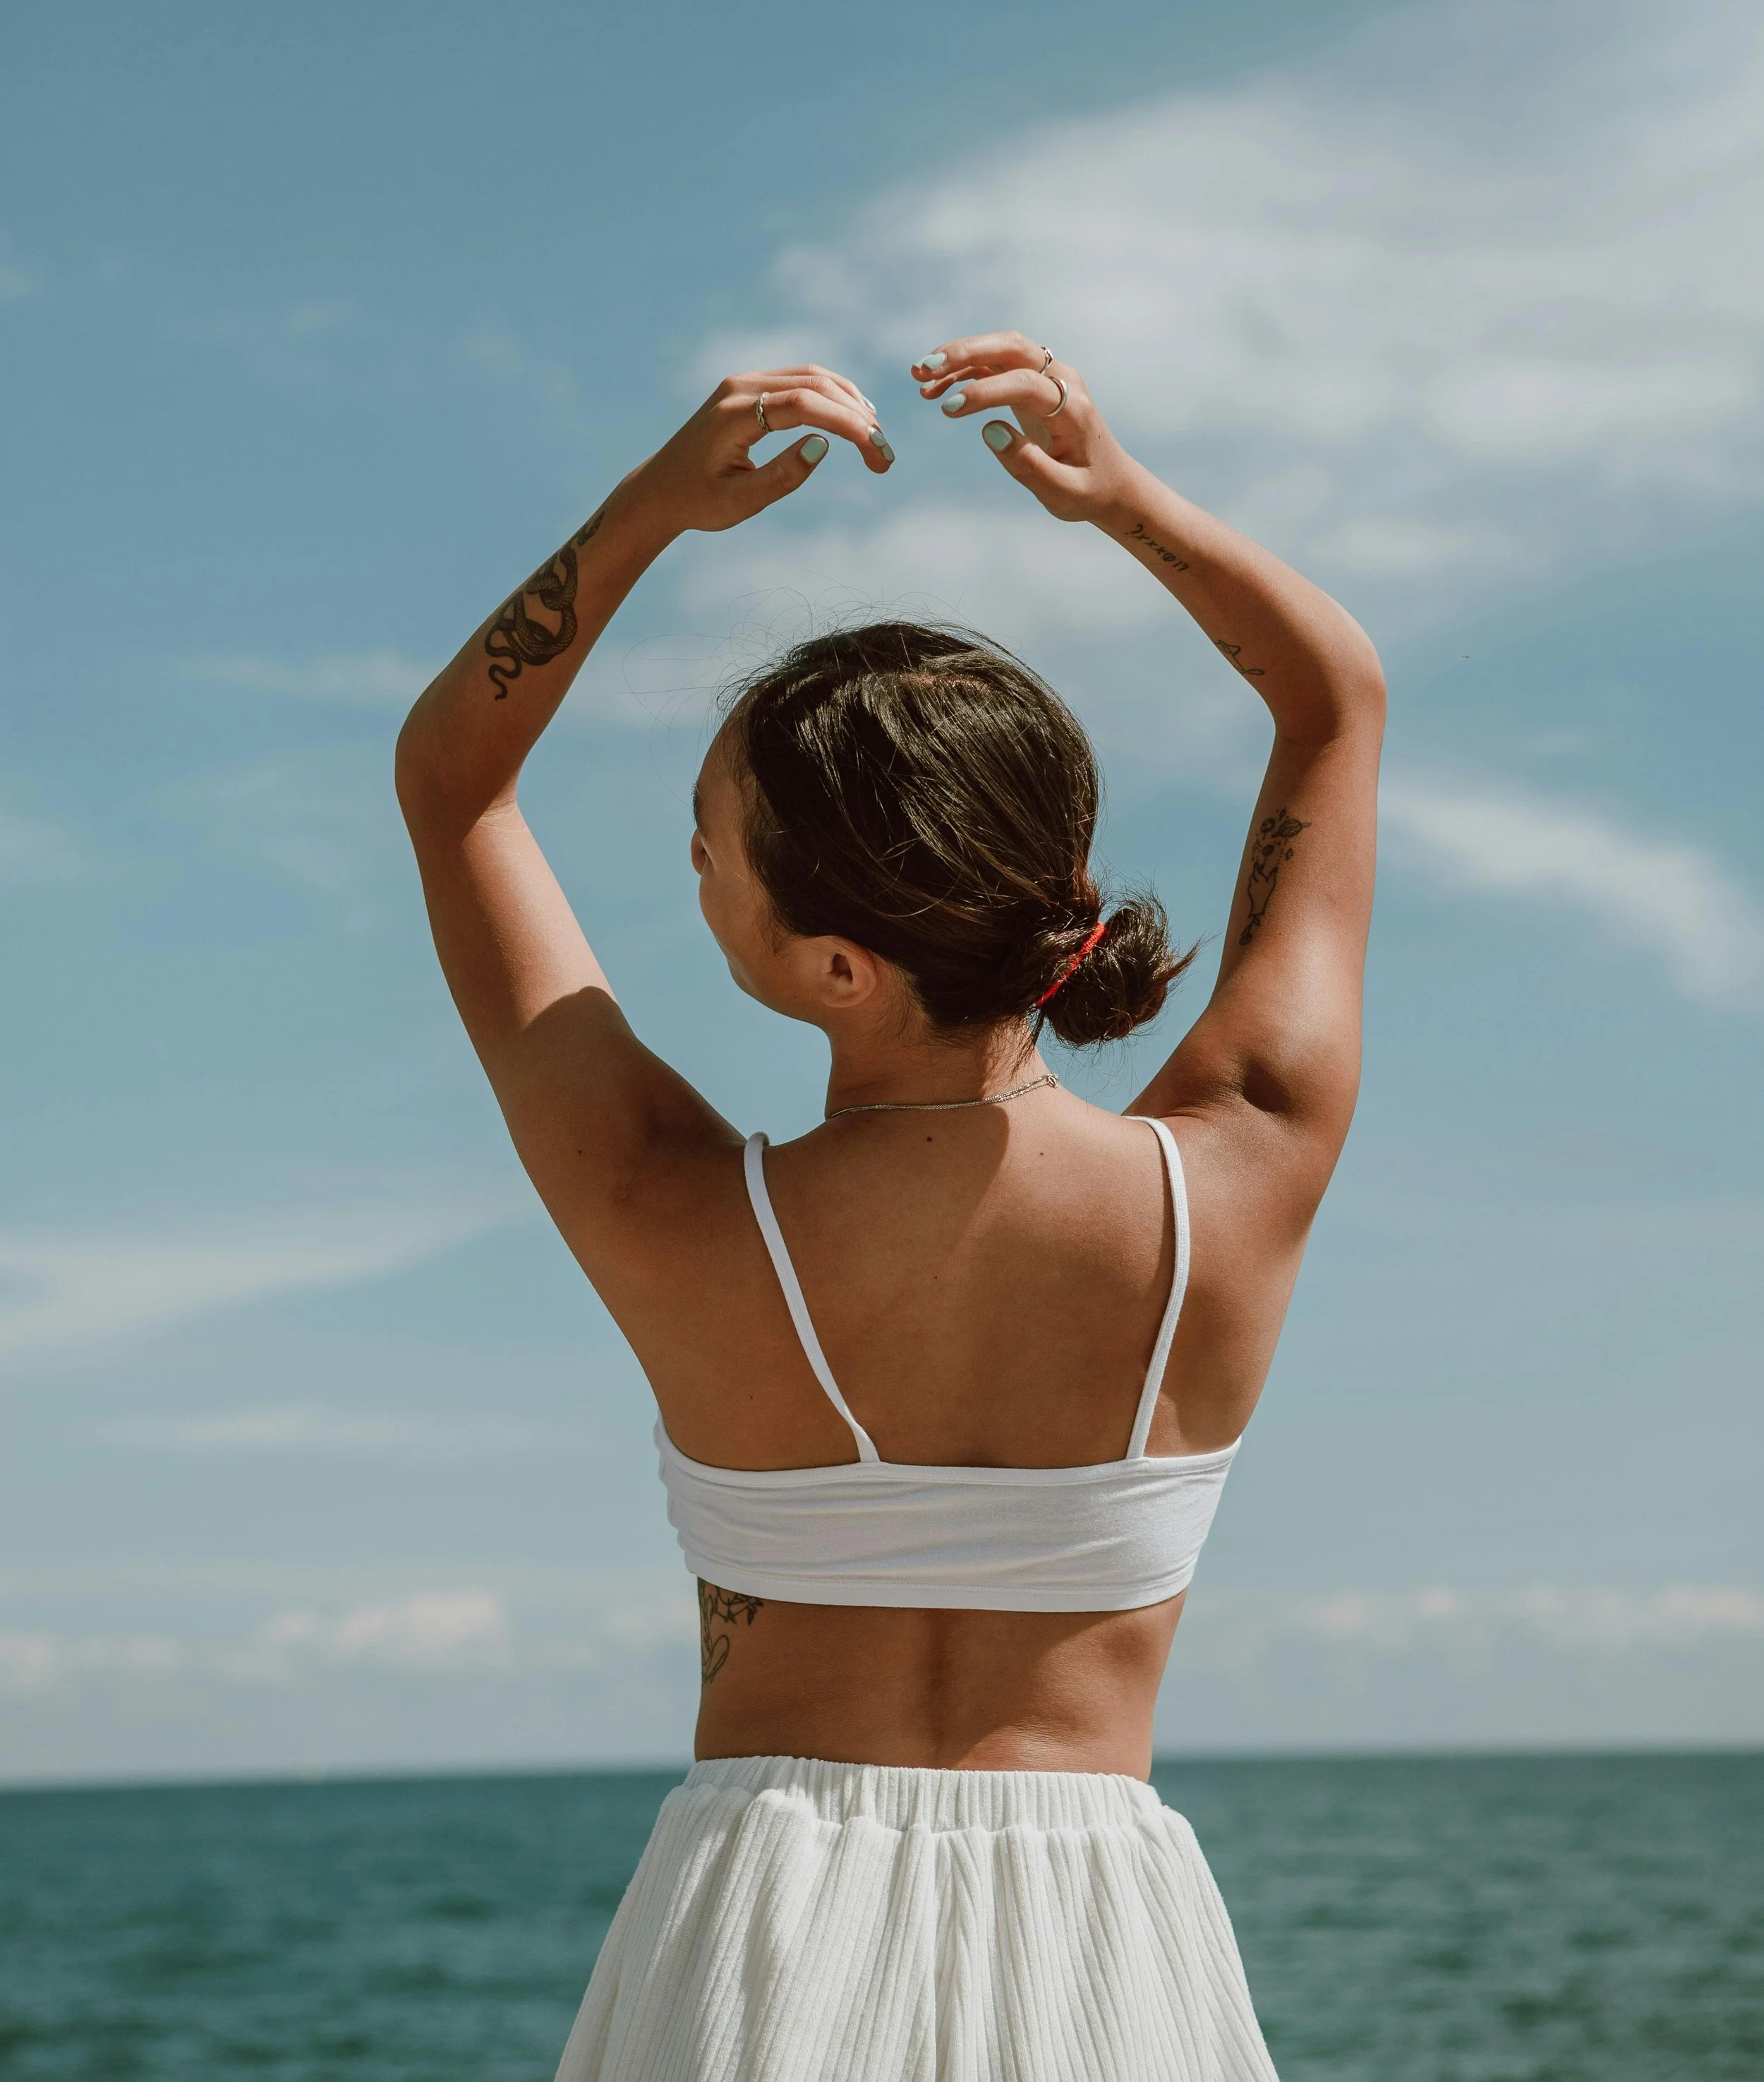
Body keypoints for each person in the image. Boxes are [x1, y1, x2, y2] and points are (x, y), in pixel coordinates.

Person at [395, 334, 1384, 2082]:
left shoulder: (666, 1206)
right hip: (1106, 1940)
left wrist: (646, 515)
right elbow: (1331, 703)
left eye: (711, 842)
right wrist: (1124, 497)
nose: (692, 866)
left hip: (757, 1933)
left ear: (836, 966)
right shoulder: (1240, 1160)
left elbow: (451, 782)